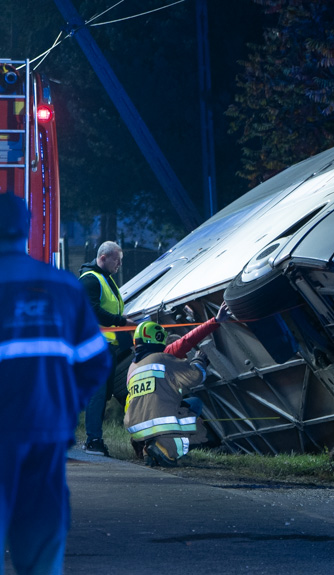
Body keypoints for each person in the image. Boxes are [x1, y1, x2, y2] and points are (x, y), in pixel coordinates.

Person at [0, 192, 112, 574]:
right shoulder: (64, 288)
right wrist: (64, 408)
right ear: (27, 230)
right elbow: (96, 363)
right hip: (47, 433)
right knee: (42, 548)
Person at [125, 302, 230, 467]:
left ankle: (145, 448)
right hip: (157, 421)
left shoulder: (133, 367)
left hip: (134, 424)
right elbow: (190, 351)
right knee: (194, 414)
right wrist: (199, 359)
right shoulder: (163, 356)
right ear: (158, 338)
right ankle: (166, 449)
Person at [79, 240, 134, 456]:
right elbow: (92, 311)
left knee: (103, 394)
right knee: (98, 393)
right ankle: (93, 440)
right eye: (117, 260)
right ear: (103, 258)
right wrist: (121, 322)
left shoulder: (104, 279)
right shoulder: (91, 280)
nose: (119, 265)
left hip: (105, 346)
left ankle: (95, 438)